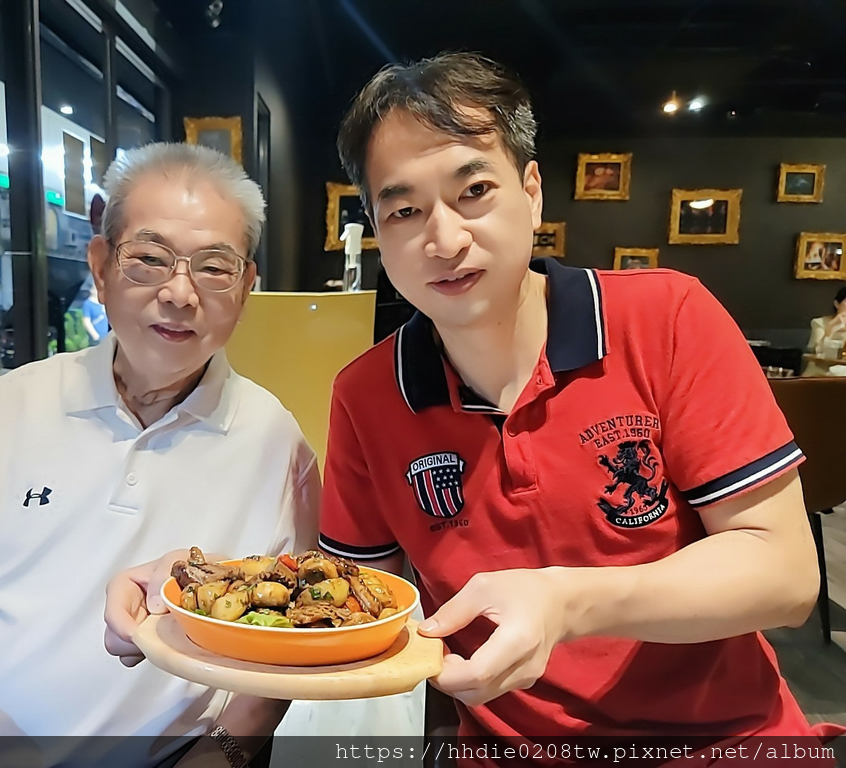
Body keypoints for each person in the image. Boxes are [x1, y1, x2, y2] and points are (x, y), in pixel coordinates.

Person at [315, 51, 842, 763]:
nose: (443, 239)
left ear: (531, 192)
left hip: (724, 739)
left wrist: (566, 602)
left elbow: (783, 574)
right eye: (405, 210)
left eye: (474, 190)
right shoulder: (366, 395)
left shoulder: (666, 317)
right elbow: (350, 603)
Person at [0, 142, 319, 768]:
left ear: (246, 286)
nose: (180, 293)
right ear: (102, 265)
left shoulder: (279, 446)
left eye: (214, 267)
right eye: (150, 259)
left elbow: (284, 649)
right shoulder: (9, 404)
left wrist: (223, 753)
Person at [806, 286, 846, 356]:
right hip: (821, 365)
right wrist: (831, 325)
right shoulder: (819, 323)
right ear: (836, 304)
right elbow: (818, 350)